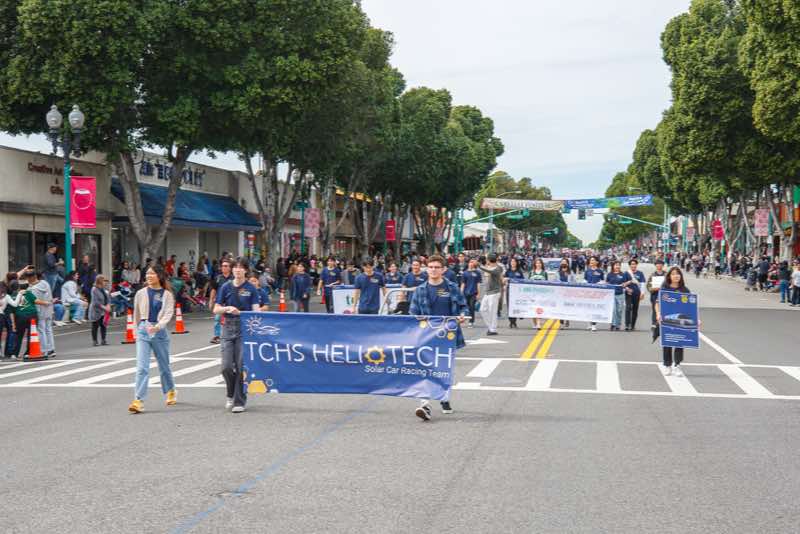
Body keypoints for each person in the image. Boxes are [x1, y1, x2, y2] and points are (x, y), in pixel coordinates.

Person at [409, 254, 467, 420]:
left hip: (448, 335)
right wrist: (417, 319)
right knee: (425, 369)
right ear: (427, 269)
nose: (433, 270)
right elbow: (412, 312)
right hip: (426, 335)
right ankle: (424, 404)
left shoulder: (452, 287)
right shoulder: (420, 290)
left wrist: (462, 315)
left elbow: (463, 306)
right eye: (431, 267)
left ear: (443, 270)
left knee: (444, 369)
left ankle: (444, 398)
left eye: (437, 267)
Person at [213, 258, 261, 413]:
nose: (238, 270)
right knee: (226, 367)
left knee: (241, 366)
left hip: (244, 328)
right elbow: (216, 309)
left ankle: (239, 401)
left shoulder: (251, 288)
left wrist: (241, 313)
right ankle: (230, 393)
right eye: (235, 267)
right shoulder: (225, 287)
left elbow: (256, 312)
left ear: (246, 270)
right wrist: (227, 308)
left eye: (241, 267)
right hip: (227, 327)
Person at [128, 265, 177, 414]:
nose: (149, 276)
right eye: (147, 273)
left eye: (152, 273)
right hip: (143, 330)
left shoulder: (167, 295)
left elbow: (168, 314)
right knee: (142, 367)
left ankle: (170, 390)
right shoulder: (141, 293)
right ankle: (138, 400)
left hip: (159, 332)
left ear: (159, 276)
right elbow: (137, 314)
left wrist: (158, 326)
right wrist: (136, 331)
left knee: (164, 366)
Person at [655, 266, 695, 377]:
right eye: (673, 274)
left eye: (678, 274)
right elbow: (657, 304)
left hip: (680, 320)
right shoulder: (664, 289)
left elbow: (691, 306)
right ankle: (667, 365)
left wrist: (696, 319)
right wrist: (658, 314)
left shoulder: (685, 290)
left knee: (679, 343)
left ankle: (677, 365)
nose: (676, 276)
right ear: (669, 276)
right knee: (667, 343)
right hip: (667, 320)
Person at [28, 271, 56, 357]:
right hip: (49, 309)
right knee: (48, 329)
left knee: (41, 330)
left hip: (40, 310)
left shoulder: (33, 289)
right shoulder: (45, 283)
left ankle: (44, 350)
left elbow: (36, 301)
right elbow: (50, 296)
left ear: (31, 278)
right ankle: (51, 349)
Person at [208, 258, 232, 344]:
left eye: (226, 266)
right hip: (220, 302)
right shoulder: (218, 278)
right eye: (222, 266)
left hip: (231, 302)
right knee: (217, 319)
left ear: (230, 268)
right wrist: (211, 301)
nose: (223, 267)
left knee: (231, 319)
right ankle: (217, 336)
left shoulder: (233, 278)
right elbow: (213, 290)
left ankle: (231, 335)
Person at [478, 254, 503, 336]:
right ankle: (490, 326)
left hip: (495, 292)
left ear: (489, 260)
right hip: (487, 292)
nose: (486, 261)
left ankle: (493, 329)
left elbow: (491, 271)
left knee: (492, 311)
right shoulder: (488, 267)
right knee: (482, 309)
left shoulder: (498, 268)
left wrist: (479, 265)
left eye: (487, 259)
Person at [623, 258, 646, 331]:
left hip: (637, 293)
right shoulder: (626, 273)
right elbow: (623, 284)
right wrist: (627, 289)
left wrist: (642, 293)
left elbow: (642, 283)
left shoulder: (640, 273)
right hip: (628, 293)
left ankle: (633, 325)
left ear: (636, 265)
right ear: (629, 265)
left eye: (634, 264)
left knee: (635, 309)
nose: (633, 265)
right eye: (632, 264)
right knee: (628, 308)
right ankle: (627, 324)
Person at [583, 256, 605, 332]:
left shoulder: (600, 271)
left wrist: (600, 283)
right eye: (590, 260)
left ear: (597, 262)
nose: (591, 261)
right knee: (589, 308)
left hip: (597, 293)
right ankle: (589, 323)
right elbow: (585, 280)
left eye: (593, 260)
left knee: (595, 308)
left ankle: (594, 325)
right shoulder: (587, 271)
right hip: (588, 292)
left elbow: (603, 280)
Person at [88, 275, 111, 346]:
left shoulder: (104, 289)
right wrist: (104, 307)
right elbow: (95, 302)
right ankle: (95, 341)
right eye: (104, 281)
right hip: (96, 311)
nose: (105, 282)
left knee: (103, 325)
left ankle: (103, 340)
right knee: (95, 326)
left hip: (103, 311)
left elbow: (108, 298)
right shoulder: (94, 289)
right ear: (100, 281)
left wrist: (108, 305)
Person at [605, 261, 627, 331]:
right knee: (613, 310)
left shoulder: (623, 274)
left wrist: (625, 285)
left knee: (619, 310)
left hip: (620, 294)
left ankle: (618, 324)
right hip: (612, 294)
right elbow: (606, 283)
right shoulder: (610, 274)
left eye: (619, 265)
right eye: (616, 265)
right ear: (613, 266)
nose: (617, 266)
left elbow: (626, 283)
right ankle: (612, 324)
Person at [504, 257, 525, 329]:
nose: (513, 263)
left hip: (517, 291)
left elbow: (523, 281)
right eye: (511, 262)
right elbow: (503, 280)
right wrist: (505, 280)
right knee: (509, 306)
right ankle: (511, 322)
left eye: (514, 261)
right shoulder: (508, 271)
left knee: (515, 306)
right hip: (509, 290)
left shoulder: (519, 271)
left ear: (516, 263)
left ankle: (515, 321)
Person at [460, 258, 482, 328]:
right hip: (466, 293)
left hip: (474, 293)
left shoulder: (477, 273)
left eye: (473, 262)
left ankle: (471, 321)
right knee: (465, 307)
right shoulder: (465, 273)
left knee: (472, 307)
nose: (471, 264)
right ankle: (464, 319)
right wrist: (460, 293)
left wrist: (478, 293)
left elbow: (478, 284)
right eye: (470, 262)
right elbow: (463, 283)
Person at [646, 259, 668, 327]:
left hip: (665, 295)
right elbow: (648, 285)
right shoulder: (652, 275)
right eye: (657, 264)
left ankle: (664, 323)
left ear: (663, 265)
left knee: (665, 309)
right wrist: (652, 289)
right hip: (655, 294)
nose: (659, 265)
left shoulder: (667, 275)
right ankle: (654, 324)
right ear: (655, 265)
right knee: (655, 309)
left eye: (660, 264)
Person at [529, 258, 548, 329]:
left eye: (539, 263)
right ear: (535, 264)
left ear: (542, 264)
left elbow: (547, 283)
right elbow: (527, 283)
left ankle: (538, 323)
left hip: (541, 293)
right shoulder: (531, 272)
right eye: (537, 263)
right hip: (533, 293)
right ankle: (535, 323)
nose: (538, 264)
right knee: (533, 308)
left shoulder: (544, 273)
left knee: (539, 307)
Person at [557, 259, 576, 329]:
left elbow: (574, 281)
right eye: (562, 262)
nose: (563, 264)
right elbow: (554, 281)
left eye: (565, 262)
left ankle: (567, 319)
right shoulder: (558, 272)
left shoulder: (571, 272)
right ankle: (561, 323)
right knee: (560, 308)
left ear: (568, 264)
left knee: (567, 307)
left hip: (568, 293)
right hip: (560, 293)